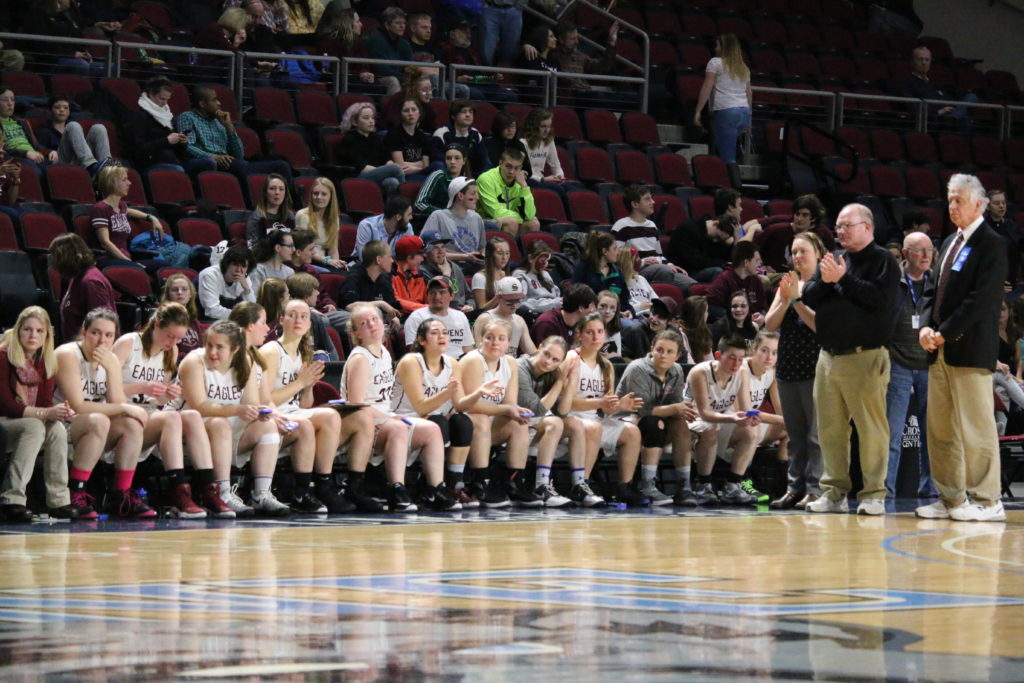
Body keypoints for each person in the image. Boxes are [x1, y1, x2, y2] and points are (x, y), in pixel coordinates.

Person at [917, 174, 1008, 522]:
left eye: (959, 200)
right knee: (941, 430)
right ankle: (951, 498)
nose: (952, 206)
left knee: (976, 428)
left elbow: (981, 300)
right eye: (950, 199)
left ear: (979, 205)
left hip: (969, 348)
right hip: (939, 348)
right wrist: (926, 326)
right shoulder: (950, 242)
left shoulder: (991, 243)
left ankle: (988, 500)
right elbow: (931, 291)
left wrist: (944, 332)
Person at [801, 203, 899, 516]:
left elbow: (880, 299)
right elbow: (810, 295)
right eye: (839, 226)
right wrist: (827, 280)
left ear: (867, 227)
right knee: (830, 429)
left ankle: (873, 494)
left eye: (847, 225)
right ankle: (833, 493)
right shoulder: (834, 257)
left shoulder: (883, 260)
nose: (840, 231)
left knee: (870, 429)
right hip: (828, 356)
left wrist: (843, 279)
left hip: (864, 356)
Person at [112, 303, 227, 518]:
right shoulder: (129, 343)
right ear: (156, 324)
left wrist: (168, 394)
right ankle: (178, 491)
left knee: (192, 416)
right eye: (169, 336)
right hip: (119, 415)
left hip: (147, 415)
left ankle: (209, 490)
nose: (173, 343)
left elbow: (156, 400)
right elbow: (105, 387)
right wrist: (141, 387)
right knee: (172, 418)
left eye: (178, 339)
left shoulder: (170, 352)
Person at [341, 303, 452, 512]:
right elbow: (356, 405)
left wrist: (390, 416)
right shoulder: (360, 358)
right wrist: (391, 418)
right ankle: (397, 489)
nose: (371, 325)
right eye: (364, 324)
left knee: (432, 429)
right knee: (398, 427)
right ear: (356, 333)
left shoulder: (384, 352)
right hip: (361, 423)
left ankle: (435, 489)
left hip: (383, 417)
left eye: (374, 319)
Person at [179, 318, 290, 516]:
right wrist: (236, 410)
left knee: (268, 426)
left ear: (235, 349)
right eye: (209, 345)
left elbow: (250, 402)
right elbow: (199, 406)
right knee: (220, 424)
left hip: (226, 433)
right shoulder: (194, 362)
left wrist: (259, 413)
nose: (212, 352)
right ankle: (222, 492)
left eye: (219, 347)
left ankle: (261, 494)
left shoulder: (246, 362)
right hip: (189, 433)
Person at [258, 298, 356, 513]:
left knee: (331, 415)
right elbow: (264, 399)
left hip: (293, 411)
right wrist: (300, 383)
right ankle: (301, 490)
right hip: (271, 415)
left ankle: (323, 483)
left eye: (304, 317)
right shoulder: (271, 351)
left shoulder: (303, 353)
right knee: (309, 423)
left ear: (310, 324)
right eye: (292, 315)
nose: (298, 320)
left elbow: (303, 404)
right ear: (281, 320)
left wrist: (308, 387)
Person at [54, 309, 155, 518]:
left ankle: (121, 497)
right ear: (84, 332)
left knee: (131, 424)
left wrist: (112, 369)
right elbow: (78, 406)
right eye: (96, 333)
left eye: (108, 335)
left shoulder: (111, 360)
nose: (102, 341)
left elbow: (116, 404)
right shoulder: (67, 354)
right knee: (100, 420)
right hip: (63, 424)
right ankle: (76, 493)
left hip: (97, 429)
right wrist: (125, 407)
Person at [393, 317, 490, 510]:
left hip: (433, 420)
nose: (442, 336)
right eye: (435, 333)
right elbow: (420, 408)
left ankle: (453, 486)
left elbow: (460, 405)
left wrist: (479, 392)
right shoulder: (411, 362)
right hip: (404, 419)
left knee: (463, 421)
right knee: (439, 422)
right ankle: (430, 489)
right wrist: (446, 393)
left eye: (445, 333)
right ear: (421, 340)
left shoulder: (452, 363)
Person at [0, 307, 86, 521]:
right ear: (18, 331)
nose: (33, 335)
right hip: (4, 422)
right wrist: (46, 412)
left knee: (56, 428)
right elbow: (6, 405)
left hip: (27, 424)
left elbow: (45, 403)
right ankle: (12, 499)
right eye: (27, 329)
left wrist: (61, 413)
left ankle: (58, 500)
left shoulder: (46, 361)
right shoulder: (3, 356)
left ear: (47, 335)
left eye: (40, 331)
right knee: (35, 425)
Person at [764, 231, 826, 510]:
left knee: (815, 434)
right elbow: (770, 324)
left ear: (818, 254)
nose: (798, 256)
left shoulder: (824, 284)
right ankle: (794, 488)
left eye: (804, 251)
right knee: (795, 434)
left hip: (815, 366)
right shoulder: (787, 283)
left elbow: (819, 325)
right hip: (788, 365)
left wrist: (796, 301)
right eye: (794, 252)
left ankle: (815, 488)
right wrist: (786, 298)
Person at [564, 313, 648, 506]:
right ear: (579, 334)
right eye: (590, 332)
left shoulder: (606, 365)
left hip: (594, 419)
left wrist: (620, 406)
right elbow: (566, 404)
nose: (596, 337)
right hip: (570, 419)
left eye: (600, 332)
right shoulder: (571, 358)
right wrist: (601, 403)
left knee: (631, 432)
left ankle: (624, 488)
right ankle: (581, 485)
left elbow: (607, 407)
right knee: (594, 427)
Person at [459, 318, 540, 507]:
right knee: (481, 419)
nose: (495, 343)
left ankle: (514, 483)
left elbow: (509, 402)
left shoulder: (510, 362)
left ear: (508, 343)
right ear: (480, 339)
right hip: (461, 424)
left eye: (501, 338)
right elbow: (470, 406)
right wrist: (507, 409)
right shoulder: (473, 360)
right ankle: (480, 483)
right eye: (490, 337)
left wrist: (516, 410)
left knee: (519, 424)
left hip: (487, 424)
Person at [615, 329, 699, 506]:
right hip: (626, 421)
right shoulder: (638, 368)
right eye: (659, 350)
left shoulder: (677, 370)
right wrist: (675, 408)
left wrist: (683, 410)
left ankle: (684, 486)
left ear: (677, 356)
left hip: (656, 420)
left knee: (680, 423)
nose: (663, 355)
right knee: (655, 423)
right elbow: (641, 410)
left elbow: (675, 406)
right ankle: (647, 485)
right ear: (652, 348)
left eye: (669, 351)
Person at [885, 231, 938, 499]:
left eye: (929, 250)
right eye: (919, 250)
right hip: (898, 363)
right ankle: (886, 490)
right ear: (905, 253)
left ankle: (930, 489)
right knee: (892, 434)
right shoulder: (891, 280)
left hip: (929, 364)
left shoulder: (936, 281)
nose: (926, 255)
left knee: (932, 433)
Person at [682, 334, 761, 505]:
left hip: (719, 419)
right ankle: (702, 485)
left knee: (750, 431)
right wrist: (733, 417)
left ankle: (733, 485)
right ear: (718, 355)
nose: (736, 363)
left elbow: (746, 408)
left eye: (740, 359)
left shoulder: (742, 372)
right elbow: (704, 413)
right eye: (731, 358)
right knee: (710, 428)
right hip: (691, 421)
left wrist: (750, 417)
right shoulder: (700, 372)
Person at [719, 329, 788, 503]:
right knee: (753, 427)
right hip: (723, 425)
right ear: (754, 349)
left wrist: (791, 422)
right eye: (764, 350)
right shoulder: (741, 369)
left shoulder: (771, 372)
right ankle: (737, 483)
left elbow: (781, 410)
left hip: (748, 426)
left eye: (774, 352)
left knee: (789, 431)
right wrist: (790, 421)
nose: (769, 357)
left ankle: (783, 487)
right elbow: (745, 413)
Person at [177, 86, 291, 183]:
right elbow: (187, 146)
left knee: (282, 166)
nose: (219, 103)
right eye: (214, 100)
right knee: (241, 168)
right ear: (202, 104)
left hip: (231, 163)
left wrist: (229, 127)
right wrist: (213, 156)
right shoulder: (187, 117)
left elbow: (239, 154)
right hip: (207, 162)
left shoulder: (219, 121)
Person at [612, 185, 695, 293]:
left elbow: (658, 254)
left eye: (651, 198)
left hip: (659, 268)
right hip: (637, 272)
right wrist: (643, 262)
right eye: (647, 199)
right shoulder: (621, 226)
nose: (653, 202)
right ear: (635, 204)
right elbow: (618, 258)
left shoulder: (652, 225)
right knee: (663, 270)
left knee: (694, 286)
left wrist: (670, 265)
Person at [668, 188, 762, 282]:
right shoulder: (688, 230)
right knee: (719, 271)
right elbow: (694, 261)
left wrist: (736, 238)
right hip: (686, 271)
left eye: (719, 239)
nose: (715, 241)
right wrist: (724, 264)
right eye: (717, 237)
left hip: (703, 269)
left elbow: (730, 258)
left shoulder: (719, 233)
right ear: (715, 223)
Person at [90, 165, 167, 271]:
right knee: (139, 269)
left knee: (164, 265)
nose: (129, 183)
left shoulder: (121, 205)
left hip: (125, 258)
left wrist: (152, 218)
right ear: (113, 183)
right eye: (124, 180)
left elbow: (129, 211)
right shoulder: (100, 209)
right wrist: (129, 262)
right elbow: (105, 243)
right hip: (107, 259)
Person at [693, 34, 751, 165]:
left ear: (724, 48)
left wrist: (698, 111)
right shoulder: (743, 67)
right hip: (744, 113)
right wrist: (749, 113)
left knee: (727, 157)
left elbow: (707, 86)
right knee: (724, 151)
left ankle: (730, 177)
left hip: (727, 112)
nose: (715, 48)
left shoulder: (715, 62)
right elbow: (749, 92)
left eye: (717, 45)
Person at [50, 234, 116, 343]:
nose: (53, 263)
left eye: (55, 257)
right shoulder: (76, 278)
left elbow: (103, 324)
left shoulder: (91, 282)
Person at [901, 46, 978, 131]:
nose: (924, 62)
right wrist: (939, 112)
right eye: (920, 59)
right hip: (932, 119)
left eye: (927, 60)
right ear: (912, 62)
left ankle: (953, 118)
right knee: (965, 120)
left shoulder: (935, 84)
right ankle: (953, 119)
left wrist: (950, 108)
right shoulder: (908, 83)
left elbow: (947, 100)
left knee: (971, 97)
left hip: (947, 115)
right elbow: (912, 107)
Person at [754, 194, 836, 273]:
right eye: (797, 214)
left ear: (813, 218)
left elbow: (833, 256)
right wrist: (762, 266)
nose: (799, 218)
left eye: (805, 215)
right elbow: (751, 250)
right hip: (775, 274)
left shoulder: (822, 232)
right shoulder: (776, 230)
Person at [33, 94, 111, 176]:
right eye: (57, 107)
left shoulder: (74, 129)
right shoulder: (44, 131)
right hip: (61, 162)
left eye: (65, 108)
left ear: (69, 111)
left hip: (79, 159)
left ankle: (109, 169)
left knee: (99, 128)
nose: (62, 110)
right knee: (73, 125)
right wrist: (49, 152)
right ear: (50, 110)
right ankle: (90, 165)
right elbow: (39, 151)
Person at [442, 20, 518, 104]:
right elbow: (440, 75)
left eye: (469, 32)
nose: (469, 35)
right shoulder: (444, 50)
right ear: (452, 35)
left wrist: (492, 78)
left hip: (481, 85)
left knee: (510, 95)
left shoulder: (473, 52)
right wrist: (457, 79)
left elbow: (479, 78)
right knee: (477, 95)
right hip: (462, 86)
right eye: (464, 32)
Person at [337, 240, 402, 334]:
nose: (392, 260)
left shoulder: (385, 280)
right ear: (379, 260)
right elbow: (349, 306)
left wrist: (393, 317)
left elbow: (390, 307)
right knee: (376, 311)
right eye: (390, 257)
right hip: (352, 322)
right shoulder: (354, 277)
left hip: (375, 322)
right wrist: (381, 303)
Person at [421, 176, 487, 268]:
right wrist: (465, 257)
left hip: (474, 265)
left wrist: (482, 256)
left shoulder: (477, 218)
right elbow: (426, 251)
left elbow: (482, 247)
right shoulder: (438, 216)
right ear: (460, 196)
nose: (477, 198)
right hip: (448, 266)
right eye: (473, 194)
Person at [127, 77, 189, 173]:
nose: (165, 103)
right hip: (150, 163)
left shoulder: (168, 115)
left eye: (167, 100)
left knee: (206, 163)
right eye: (162, 99)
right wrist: (166, 141)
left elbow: (179, 154)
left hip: (172, 160)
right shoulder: (139, 116)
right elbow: (139, 151)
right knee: (178, 170)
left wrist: (182, 142)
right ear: (151, 94)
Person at [404, 276, 474, 359]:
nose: (436, 297)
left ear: (452, 296)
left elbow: (468, 349)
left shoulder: (460, 316)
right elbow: (415, 353)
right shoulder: (416, 317)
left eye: (442, 292)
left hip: (460, 362)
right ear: (427, 295)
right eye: (432, 293)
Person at [476, 147, 539, 236]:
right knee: (511, 222)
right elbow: (495, 212)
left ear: (521, 168)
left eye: (516, 168)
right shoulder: (486, 179)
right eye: (508, 166)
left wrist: (524, 186)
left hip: (512, 220)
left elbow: (530, 215)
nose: (512, 172)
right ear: (500, 163)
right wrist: (520, 218)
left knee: (533, 223)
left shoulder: (519, 182)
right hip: (485, 220)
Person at [572, 232, 633, 316]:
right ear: (605, 251)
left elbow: (624, 301)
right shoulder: (582, 269)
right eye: (615, 248)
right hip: (590, 318)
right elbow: (576, 300)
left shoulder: (617, 272)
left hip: (615, 318)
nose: (618, 252)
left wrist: (630, 312)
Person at [314, 5, 375, 90]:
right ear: (348, 24)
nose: (361, 24)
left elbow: (363, 66)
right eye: (357, 22)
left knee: (377, 86)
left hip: (355, 79)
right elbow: (329, 69)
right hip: (336, 81)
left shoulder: (359, 42)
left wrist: (366, 74)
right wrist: (359, 75)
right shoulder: (328, 41)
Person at [473, 277, 536, 357]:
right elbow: (478, 351)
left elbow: (531, 352)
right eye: (509, 302)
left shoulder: (519, 321)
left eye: (517, 301)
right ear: (498, 298)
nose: (514, 305)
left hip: (512, 362)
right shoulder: (484, 319)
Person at [295, 177, 346, 269]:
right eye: (316, 193)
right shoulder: (303, 215)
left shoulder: (334, 218)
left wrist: (337, 264)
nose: (319, 197)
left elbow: (333, 250)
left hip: (324, 262)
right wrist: (327, 260)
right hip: (308, 263)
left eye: (324, 194)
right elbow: (304, 249)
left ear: (331, 197)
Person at [704, 241, 767, 317]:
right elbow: (711, 306)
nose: (760, 263)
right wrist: (734, 317)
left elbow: (762, 307)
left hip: (752, 323)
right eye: (757, 260)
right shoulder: (724, 280)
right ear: (746, 262)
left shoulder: (756, 281)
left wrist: (761, 317)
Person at [519, 108, 573, 196]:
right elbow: (520, 172)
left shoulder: (549, 141)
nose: (547, 130)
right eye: (543, 126)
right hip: (529, 180)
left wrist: (559, 176)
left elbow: (556, 166)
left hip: (542, 180)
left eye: (549, 126)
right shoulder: (522, 143)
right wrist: (542, 179)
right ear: (533, 126)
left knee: (572, 189)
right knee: (558, 190)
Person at [197, 244, 257, 320]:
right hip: (204, 321)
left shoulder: (244, 278)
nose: (239, 270)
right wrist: (240, 316)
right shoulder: (209, 275)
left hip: (229, 322)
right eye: (235, 264)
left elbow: (253, 310)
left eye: (243, 266)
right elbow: (212, 311)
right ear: (226, 264)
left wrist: (247, 290)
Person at [432, 100, 491, 175]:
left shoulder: (476, 134)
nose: (468, 115)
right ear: (453, 116)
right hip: (448, 175)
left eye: (471, 112)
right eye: (464, 112)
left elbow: (485, 162)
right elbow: (440, 162)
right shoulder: (441, 134)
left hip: (470, 176)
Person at [531, 283, 597, 347]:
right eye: (591, 305)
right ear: (581, 308)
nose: (593, 310)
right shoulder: (547, 323)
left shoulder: (579, 325)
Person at [365, 6, 413, 95]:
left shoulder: (404, 44)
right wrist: (403, 78)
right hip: (378, 79)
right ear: (387, 25)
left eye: (404, 23)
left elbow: (410, 66)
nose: (402, 26)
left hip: (400, 78)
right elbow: (380, 69)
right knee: (393, 80)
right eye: (398, 23)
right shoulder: (376, 40)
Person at [0, 88, 48, 176]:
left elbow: (36, 146)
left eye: (12, 100)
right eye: (5, 100)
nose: (10, 103)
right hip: (15, 157)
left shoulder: (22, 122)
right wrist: (26, 153)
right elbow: (2, 150)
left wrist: (50, 152)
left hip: (34, 155)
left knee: (58, 169)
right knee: (36, 172)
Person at [419, 233, 471, 311]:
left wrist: (470, 306)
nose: (441, 251)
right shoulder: (422, 272)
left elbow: (469, 296)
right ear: (425, 253)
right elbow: (439, 301)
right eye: (435, 248)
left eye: (442, 247)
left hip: (464, 311)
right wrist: (446, 275)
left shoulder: (454, 267)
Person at [622, 297, 685, 362]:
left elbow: (682, 360)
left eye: (661, 316)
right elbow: (622, 358)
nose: (654, 319)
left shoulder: (674, 333)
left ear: (671, 321)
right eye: (654, 313)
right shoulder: (635, 330)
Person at [385, 99, 434, 182]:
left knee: (438, 165)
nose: (410, 113)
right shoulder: (394, 134)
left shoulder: (422, 136)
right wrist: (419, 165)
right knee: (428, 180)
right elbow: (400, 165)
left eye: (414, 110)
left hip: (418, 171)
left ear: (419, 113)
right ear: (400, 114)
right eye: (406, 110)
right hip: (404, 175)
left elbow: (425, 164)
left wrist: (415, 168)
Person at [415, 143, 471, 214]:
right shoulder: (437, 176)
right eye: (448, 158)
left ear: (464, 161)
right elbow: (419, 204)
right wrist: (445, 214)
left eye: (457, 158)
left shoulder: (467, 181)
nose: (452, 162)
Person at [513, 239, 562, 316]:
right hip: (538, 314)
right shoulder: (520, 275)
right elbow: (521, 303)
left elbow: (556, 295)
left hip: (555, 311)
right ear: (530, 258)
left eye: (547, 261)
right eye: (542, 260)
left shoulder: (545, 274)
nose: (545, 264)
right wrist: (554, 304)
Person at [382, 68, 439, 133]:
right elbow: (393, 123)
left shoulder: (427, 105)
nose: (429, 93)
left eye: (430, 89)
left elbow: (432, 128)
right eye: (424, 90)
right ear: (414, 89)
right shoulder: (398, 99)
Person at [246, 173, 296, 246]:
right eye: (272, 188)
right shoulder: (257, 218)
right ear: (265, 193)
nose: (277, 192)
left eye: (281, 189)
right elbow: (252, 247)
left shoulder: (290, 216)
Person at [160, 273, 204, 357]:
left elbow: (202, 348)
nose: (180, 292)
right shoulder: (163, 319)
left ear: (190, 294)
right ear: (168, 294)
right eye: (175, 290)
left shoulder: (195, 322)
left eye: (184, 289)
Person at [985, 189, 1020, 287]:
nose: (1001, 206)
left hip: (1013, 281)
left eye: (1003, 203)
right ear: (988, 206)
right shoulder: (983, 229)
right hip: (992, 284)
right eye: (997, 203)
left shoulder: (1011, 224)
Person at [486, 112, 531, 181]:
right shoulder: (488, 144)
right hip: (496, 180)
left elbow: (527, 168)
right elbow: (490, 167)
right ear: (498, 128)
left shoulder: (518, 144)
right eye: (506, 127)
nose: (510, 130)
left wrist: (525, 173)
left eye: (513, 126)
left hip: (517, 179)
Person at [471, 236, 512, 311]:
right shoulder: (479, 277)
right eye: (500, 253)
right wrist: (498, 298)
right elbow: (481, 308)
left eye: (507, 253)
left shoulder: (507, 275)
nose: (504, 257)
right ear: (490, 255)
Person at [391, 235, 429, 315]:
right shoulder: (389, 275)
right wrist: (427, 309)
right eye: (421, 255)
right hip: (399, 318)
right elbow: (396, 302)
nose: (423, 259)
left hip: (422, 316)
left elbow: (429, 300)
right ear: (410, 257)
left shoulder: (420, 276)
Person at [480, 0, 525, 66]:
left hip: (514, 10)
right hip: (490, 8)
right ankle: (487, 72)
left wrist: (520, 4)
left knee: (510, 53)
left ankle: (504, 72)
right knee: (486, 53)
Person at [617, 246, 657, 318]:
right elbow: (620, 309)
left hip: (651, 316)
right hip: (633, 318)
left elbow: (656, 300)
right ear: (627, 262)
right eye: (636, 258)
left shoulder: (641, 279)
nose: (640, 260)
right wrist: (639, 307)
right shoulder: (618, 283)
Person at [680, 296, 715, 363]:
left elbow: (710, 362)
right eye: (706, 311)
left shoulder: (704, 332)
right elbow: (689, 363)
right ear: (699, 315)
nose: (708, 314)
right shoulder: (680, 333)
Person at [596, 290, 626, 361]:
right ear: (595, 306)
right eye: (603, 306)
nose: (607, 311)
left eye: (612, 308)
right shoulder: (586, 328)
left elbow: (618, 356)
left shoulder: (615, 330)